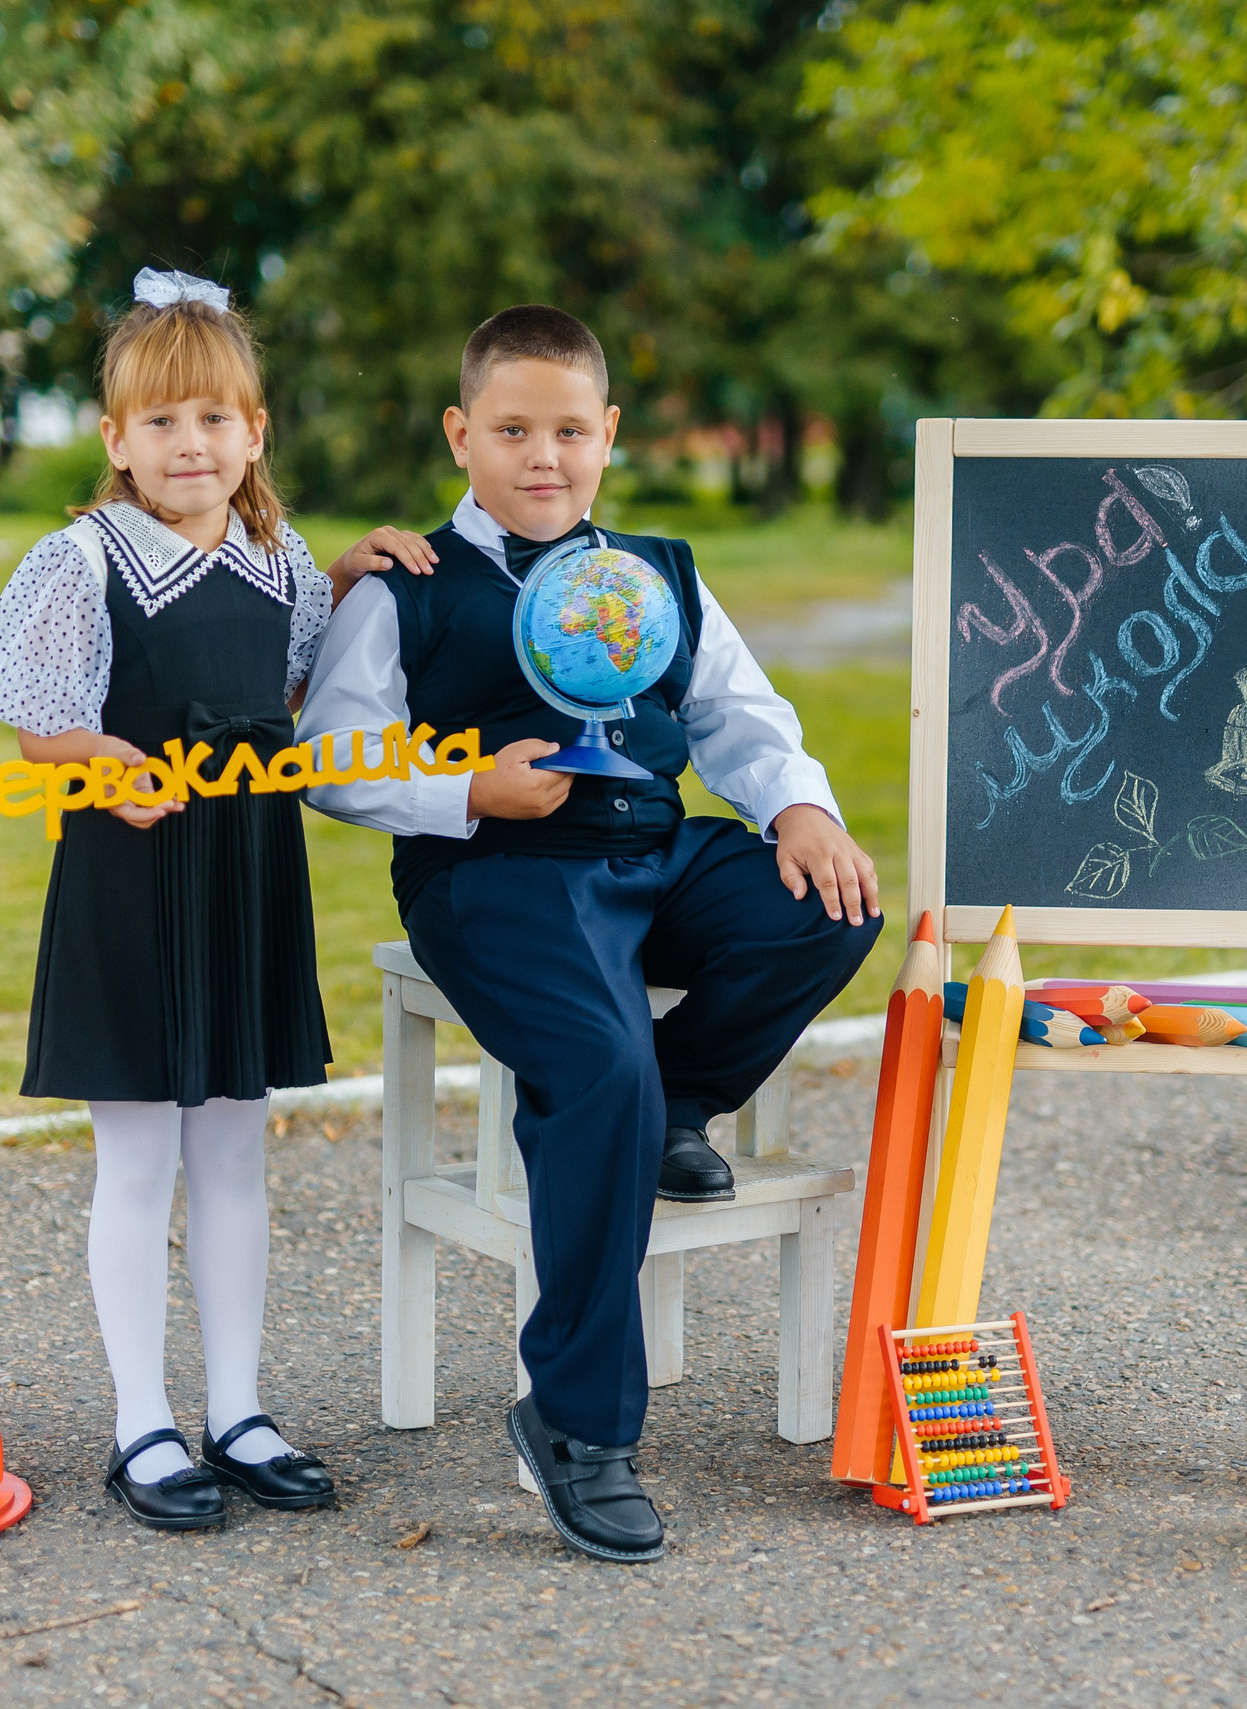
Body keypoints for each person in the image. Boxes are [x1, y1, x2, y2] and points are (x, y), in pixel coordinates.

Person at [298, 304, 883, 1562]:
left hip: (651, 848)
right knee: (594, 1073)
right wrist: (465, 791)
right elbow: (334, 761)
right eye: (511, 429)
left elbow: (736, 709)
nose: (541, 456)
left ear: (608, 435)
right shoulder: (412, 583)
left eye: (568, 430)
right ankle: (575, 1423)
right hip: (496, 870)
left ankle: (674, 1105)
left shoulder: (656, 573)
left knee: (826, 906)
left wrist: (796, 805)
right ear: (463, 435)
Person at [0, 268, 429, 1531]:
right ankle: (140, 1421)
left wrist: (345, 569)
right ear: (116, 439)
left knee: (233, 1153)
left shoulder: (280, 564)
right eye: (160, 421)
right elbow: (40, 727)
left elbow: (282, 689)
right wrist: (93, 758)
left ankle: (237, 1406)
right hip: (131, 876)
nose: (189, 443)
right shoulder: (81, 558)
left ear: (254, 431)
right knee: (139, 1157)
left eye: (214, 418)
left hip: (241, 873)